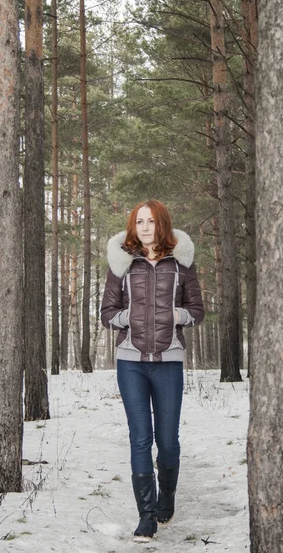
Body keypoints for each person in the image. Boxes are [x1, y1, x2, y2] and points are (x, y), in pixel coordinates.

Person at [101, 200, 204, 542]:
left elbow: (197, 310)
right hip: (130, 361)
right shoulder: (122, 263)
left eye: (151, 221)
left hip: (169, 360)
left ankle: (167, 496)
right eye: (139, 222)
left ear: (163, 225)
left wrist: (177, 317)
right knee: (140, 438)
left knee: (168, 441)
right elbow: (107, 313)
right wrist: (127, 318)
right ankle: (146, 515)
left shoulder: (181, 264)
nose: (144, 227)